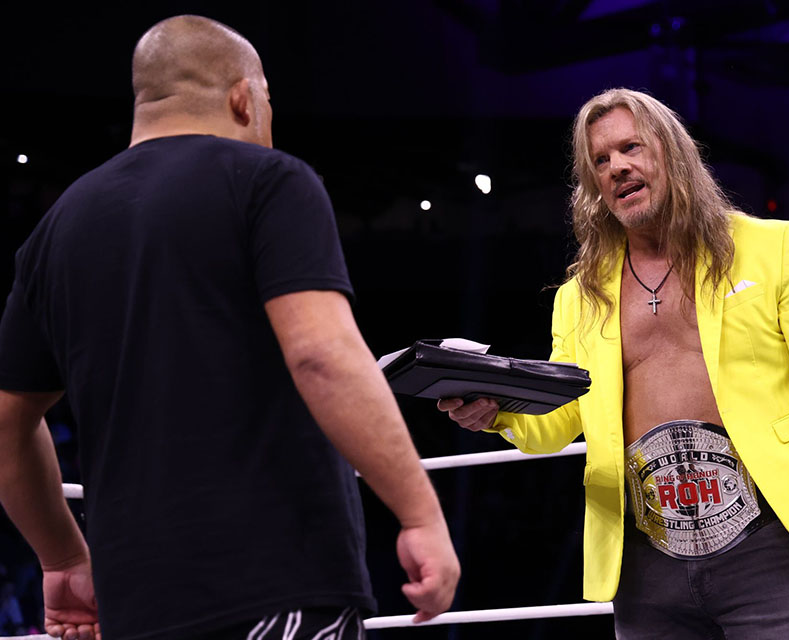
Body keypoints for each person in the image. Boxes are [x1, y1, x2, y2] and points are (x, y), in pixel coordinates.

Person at [0, 15, 459, 640]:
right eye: (268, 101)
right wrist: (420, 513)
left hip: (135, 603)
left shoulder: (57, 228)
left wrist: (61, 558)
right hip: (275, 581)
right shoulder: (269, 180)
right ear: (244, 98)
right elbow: (322, 355)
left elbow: (7, 423)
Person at [440, 88, 789, 639]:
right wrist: (496, 409)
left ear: (673, 152)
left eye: (630, 147)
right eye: (600, 161)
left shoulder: (773, 249)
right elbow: (560, 420)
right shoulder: (581, 297)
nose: (616, 167)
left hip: (767, 546)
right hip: (645, 561)